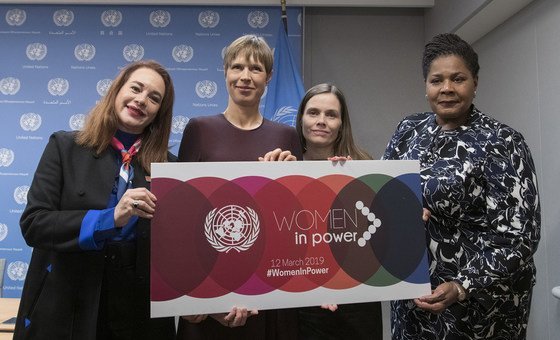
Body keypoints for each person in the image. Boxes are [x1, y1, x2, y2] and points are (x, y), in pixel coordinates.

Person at [383, 33, 541, 339]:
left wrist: (462, 285)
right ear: (425, 85)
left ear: (475, 83)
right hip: (413, 295)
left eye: (458, 79)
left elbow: (520, 236)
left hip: (480, 304)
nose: (447, 89)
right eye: (436, 80)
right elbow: (385, 193)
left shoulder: (502, 142)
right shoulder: (408, 130)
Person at [14, 60, 177, 340]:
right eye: (135, 88)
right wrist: (110, 218)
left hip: (136, 315)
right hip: (67, 305)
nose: (141, 100)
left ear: (159, 113)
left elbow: (180, 247)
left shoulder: (169, 168)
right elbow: (34, 224)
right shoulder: (65, 147)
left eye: (154, 98)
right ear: (116, 91)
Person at [176, 35, 302, 339]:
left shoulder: (286, 137)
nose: (245, 76)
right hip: (207, 285)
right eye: (237, 67)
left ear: (268, 77)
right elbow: (181, 216)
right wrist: (191, 295)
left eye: (256, 69)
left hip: (268, 287)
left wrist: (286, 183)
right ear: (225, 72)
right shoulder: (199, 129)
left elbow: (295, 222)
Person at [294, 83, 382, 340]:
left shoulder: (363, 166)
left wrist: (351, 184)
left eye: (331, 115)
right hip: (303, 303)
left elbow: (378, 234)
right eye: (313, 113)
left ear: (342, 124)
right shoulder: (285, 168)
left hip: (357, 300)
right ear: (301, 118)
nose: (321, 121)